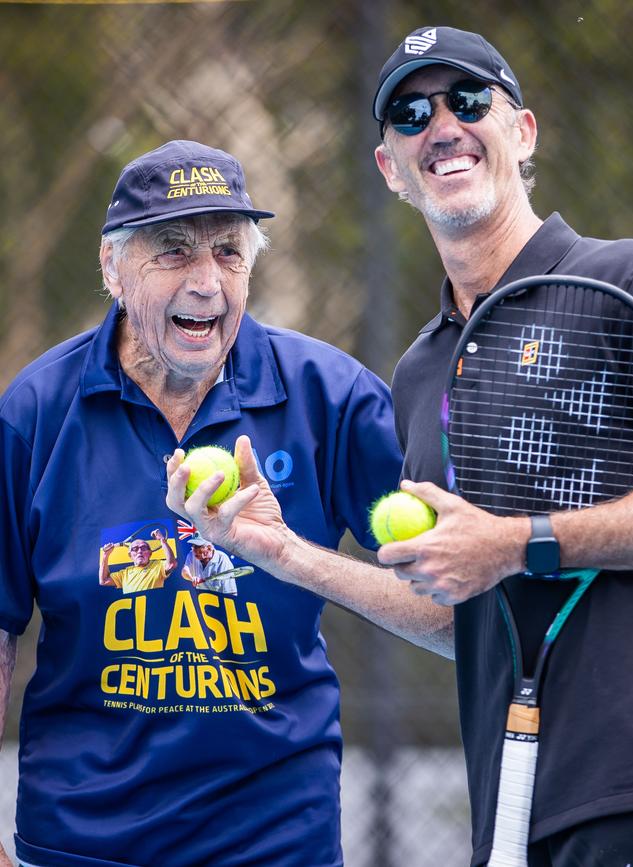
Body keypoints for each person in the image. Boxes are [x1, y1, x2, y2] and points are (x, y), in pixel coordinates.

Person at [165, 28, 633, 867]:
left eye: (469, 101)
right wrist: (286, 554)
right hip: (515, 812)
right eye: (410, 112)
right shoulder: (422, 369)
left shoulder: (626, 283)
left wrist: (516, 542)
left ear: (524, 131)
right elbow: (457, 615)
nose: (443, 125)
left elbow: (502, 557)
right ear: (390, 166)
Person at [0, 139, 450, 867]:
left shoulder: (329, 398)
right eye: (173, 251)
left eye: (229, 253)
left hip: (276, 841)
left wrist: (294, 557)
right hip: (81, 842)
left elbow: (458, 613)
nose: (207, 281)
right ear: (113, 268)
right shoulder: (35, 412)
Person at [100, 529, 176, 592]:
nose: (139, 551)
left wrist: (162, 541)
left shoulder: (158, 565)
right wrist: (105, 555)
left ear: (150, 553)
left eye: (143, 548)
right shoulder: (124, 574)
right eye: (135, 549)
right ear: (130, 556)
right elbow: (104, 581)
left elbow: (171, 564)